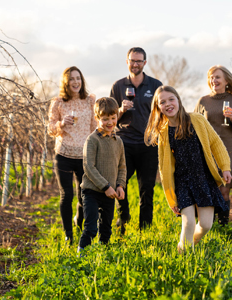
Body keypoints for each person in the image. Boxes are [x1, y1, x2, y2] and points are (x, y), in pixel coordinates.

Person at [144, 86, 231, 252]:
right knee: (188, 222)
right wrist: (171, 197)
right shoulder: (163, 133)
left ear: (178, 100)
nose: (168, 104)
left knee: (206, 224)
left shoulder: (196, 120)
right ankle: (185, 256)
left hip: (203, 178)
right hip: (182, 182)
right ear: (158, 107)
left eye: (171, 99)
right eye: (162, 102)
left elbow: (215, 143)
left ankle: (185, 245)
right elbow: (165, 169)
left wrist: (225, 167)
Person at [109, 47, 164, 233]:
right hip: (124, 142)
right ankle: (123, 217)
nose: (135, 64)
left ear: (144, 63)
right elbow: (108, 116)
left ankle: (145, 229)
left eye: (139, 61)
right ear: (127, 62)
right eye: (132, 60)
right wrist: (121, 110)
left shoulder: (156, 85)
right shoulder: (118, 86)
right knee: (119, 183)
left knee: (147, 188)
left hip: (149, 144)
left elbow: (162, 113)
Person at [47, 66, 97, 244]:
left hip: (84, 155)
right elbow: (51, 129)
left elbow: (93, 127)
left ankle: (79, 220)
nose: (75, 82)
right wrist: (61, 123)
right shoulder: (58, 102)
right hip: (64, 154)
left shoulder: (89, 101)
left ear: (81, 81)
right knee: (66, 195)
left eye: (78, 78)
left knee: (84, 194)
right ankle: (68, 234)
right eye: (72, 79)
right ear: (66, 82)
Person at [193, 65, 232, 225]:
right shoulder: (203, 101)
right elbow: (193, 126)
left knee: (224, 191)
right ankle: (204, 225)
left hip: (228, 151)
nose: (213, 80)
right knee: (205, 190)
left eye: (217, 77)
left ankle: (223, 226)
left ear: (226, 81)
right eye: (211, 77)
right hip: (207, 151)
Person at [79, 97, 126, 250]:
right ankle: (82, 256)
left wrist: (120, 185)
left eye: (113, 118)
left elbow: (122, 167)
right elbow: (88, 167)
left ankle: (103, 255)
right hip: (92, 191)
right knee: (91, 227)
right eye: (105, 119)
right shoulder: (92, 140)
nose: (110, 122)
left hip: (110, 193)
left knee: (106, 228)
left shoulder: (118, 141)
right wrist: (105, 186)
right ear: (97, 118)